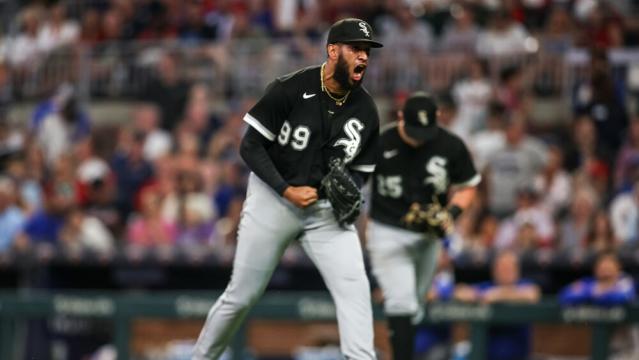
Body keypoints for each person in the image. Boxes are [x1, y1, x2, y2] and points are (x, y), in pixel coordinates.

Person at [193, 18, 383, 360]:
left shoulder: (366, 109)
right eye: (356, 48)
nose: (363, 57)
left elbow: (361, 172)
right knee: (242, 297)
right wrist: (284, 189)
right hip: (274, 199)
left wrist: (350, 191)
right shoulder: (290, 88)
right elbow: (250, 146)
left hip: (324, 214)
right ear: (333, 50)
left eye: (367, 51)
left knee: (355, 290)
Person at [367, 92, 480, 360]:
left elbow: (468, 186)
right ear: (400, 117)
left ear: (437, 119)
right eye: (414, 129)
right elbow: (353, 181)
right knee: (401, 300)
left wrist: (451, 212)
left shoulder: (450, 145)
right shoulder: (380, 142)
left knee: (415, 304)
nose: (420, 137)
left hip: (428, 235)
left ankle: (401, 342)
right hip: (387, 230)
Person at [454, 251, 540, 360]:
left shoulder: (523, 285)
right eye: (502, 268)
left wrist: (499, 295)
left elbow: (533, 294)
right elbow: (459, 291)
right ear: (494, 270)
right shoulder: (488, 287)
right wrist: (480, 295)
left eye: (509, 268)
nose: (505, 272)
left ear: (517, 270)